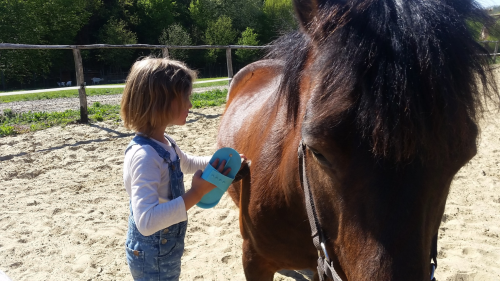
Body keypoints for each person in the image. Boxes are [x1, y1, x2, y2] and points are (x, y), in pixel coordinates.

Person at [120, 57, 237, 280]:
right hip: (151, 255)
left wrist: (219, 162)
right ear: (161, 102)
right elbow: (146, 222)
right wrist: (196, 193)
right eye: (185, 97)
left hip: (166, 248)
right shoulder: (145, 156)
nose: (190, 105)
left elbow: (187, 163)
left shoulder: (165, 143)